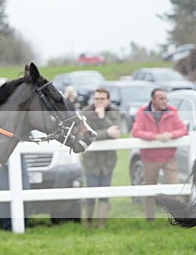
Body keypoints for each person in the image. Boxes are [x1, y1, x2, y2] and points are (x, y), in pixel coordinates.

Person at [132, 87, 188, 221]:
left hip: (169, 157)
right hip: (149, 158)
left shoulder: (172, 111)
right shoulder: (142, 112)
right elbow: (136, 132)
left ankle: (180, 217)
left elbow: (183, 129)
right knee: (149, 188)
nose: (164, 101)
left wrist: (170, 135)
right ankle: (150, 219)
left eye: (165, 98)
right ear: (153, 100)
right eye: (161, 98)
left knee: (176, 187)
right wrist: (156, 137)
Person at [81, 87, 122, 228]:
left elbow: (116, 132)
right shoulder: (85, 112)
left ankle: (101, 224)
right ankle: (88, 222)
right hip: (90, 161)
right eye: (97, 99)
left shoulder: (114, 112)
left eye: (102, 99)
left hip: (108, 161)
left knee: (105, 193)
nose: (99, 102)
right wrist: (106, 133)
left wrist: (103, 117)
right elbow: (87, 135)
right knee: (91, 192)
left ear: (108, 100)